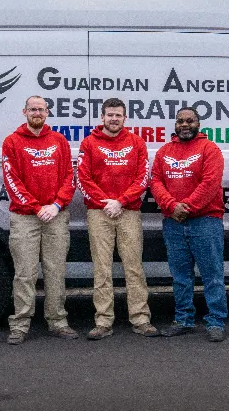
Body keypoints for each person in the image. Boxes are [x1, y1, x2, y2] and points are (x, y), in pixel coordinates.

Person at [77, 98, 159, 339]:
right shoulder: (89, 143)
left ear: (125, 118)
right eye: (110, 115)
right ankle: (103, 321)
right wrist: (106, 202)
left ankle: (141, 319)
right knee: (102, 269)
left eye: (118, 115)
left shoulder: (136, 143)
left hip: (128, 211)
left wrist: (121, 201)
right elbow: (83, 178)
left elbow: (143, 177)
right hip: (99, 212)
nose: (114, 119)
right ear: (102, 117)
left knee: (134, 267)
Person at [1, 96, 78, 345]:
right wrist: (36, 207)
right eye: (32, 109)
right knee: (25, 273)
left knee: (56, 271)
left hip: (55, 215)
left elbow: (69, 177)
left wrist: (56, 205)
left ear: (47, 113)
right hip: (25, 217)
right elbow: (12, 180)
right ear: (24, 111)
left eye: (41, 109)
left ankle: (57, 321)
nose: (37, 113)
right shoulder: (12, 142)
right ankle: (20, 324)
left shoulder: (59, 141)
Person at [150, 107, 228, 342]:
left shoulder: (210, 149)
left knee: (212, 275)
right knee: (180, 277)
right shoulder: (164, 151)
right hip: (173, 222)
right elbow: (156, 181)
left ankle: (216, 321)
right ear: (175, 125)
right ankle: (183, 319)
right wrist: (171, 205)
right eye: (180, 121)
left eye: (190, 121)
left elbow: (210, 183)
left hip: (205, 221)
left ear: (198, 124)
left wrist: (187, 207)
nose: (184, 124)